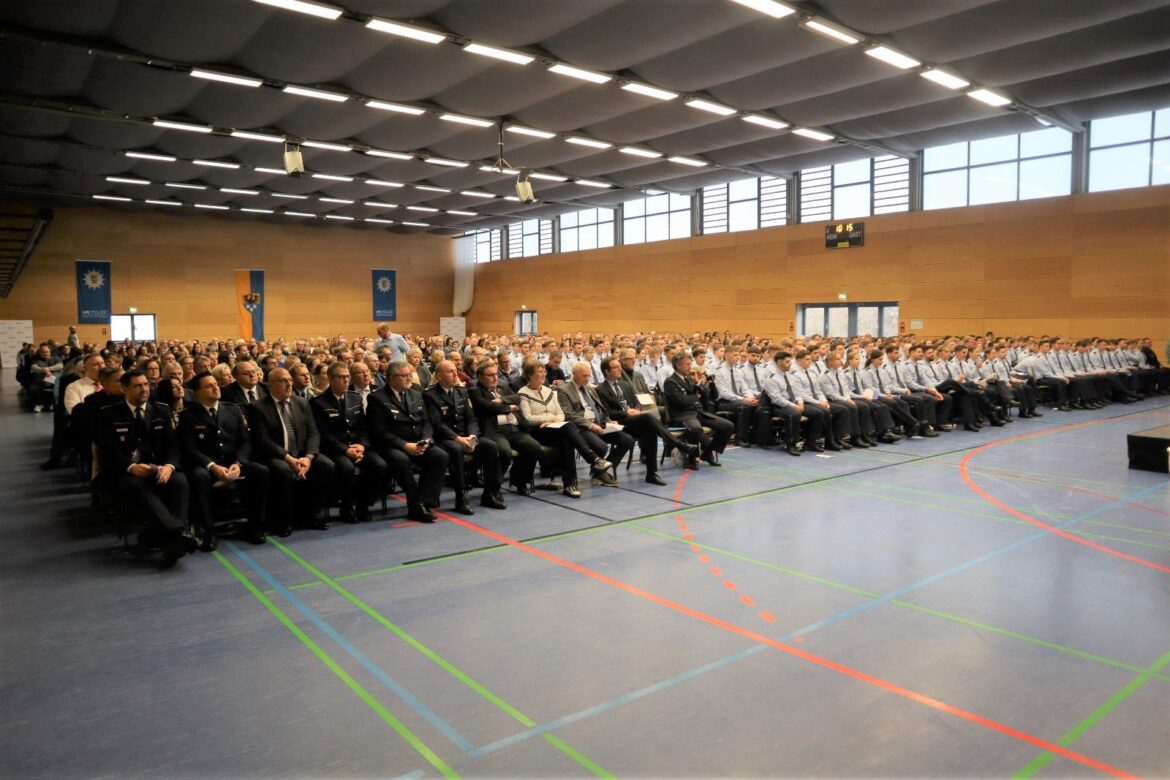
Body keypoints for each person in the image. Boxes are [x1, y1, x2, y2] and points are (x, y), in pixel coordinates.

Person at [93, 369, 195, 569]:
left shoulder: (160, 410)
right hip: (124, 471)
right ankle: (178, 535)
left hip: (158, 466)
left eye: (146, 385)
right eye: (138, 386)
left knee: (180, 481)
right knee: (137, 486)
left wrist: (169, 466)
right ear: (124, 388)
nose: (144, 389)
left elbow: (173, 445)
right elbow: (108, 451)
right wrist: (131, 467)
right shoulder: (109, 413)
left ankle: (173, 539)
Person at [178, 372, 269, 549]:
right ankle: (209, 531)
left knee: (261, 471)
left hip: (233, 464)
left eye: (215, 384)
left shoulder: (232, 409)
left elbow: (245, 441)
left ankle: (255, 525)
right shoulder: (188, 416)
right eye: (209, 386)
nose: (215, 387)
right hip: (207, 466)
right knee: (199, 476)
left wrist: (238, 463)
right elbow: (190, 449)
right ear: (197, 393)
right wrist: (212, 466)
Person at [247, 368, 334, 535]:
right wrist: (288, 458)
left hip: (302, 453)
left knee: (326, 465)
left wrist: (308, 457)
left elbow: (313, 433)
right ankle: (284, 520)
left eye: (290, 380)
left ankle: (312, 513)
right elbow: (263, 441)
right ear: (271, 385)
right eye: (283, 381)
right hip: (276, 455)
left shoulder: (301, 402)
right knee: (283, 470)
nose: (289, 384)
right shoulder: (257, 407)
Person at [365, 360, 448, 522]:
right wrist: (405, 445)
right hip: (392, 445)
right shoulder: (377, 398)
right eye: (404, 375)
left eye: (410, 374)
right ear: (391, 378)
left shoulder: (415, 393)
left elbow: (426, 422)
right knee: (401, 460)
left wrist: (426, 440)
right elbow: (379, 432)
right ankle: (415, 505)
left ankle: (423, 501)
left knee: (440, 456)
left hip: (418, 442)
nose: (409, 378)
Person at [516, 360, 612, 498]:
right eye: (539, 372)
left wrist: (555, 419)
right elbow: (527, 418)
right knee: (568, 429)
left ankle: (570, 484)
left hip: (555, 428)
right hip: (536, 431)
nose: (543, 374)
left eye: (544, 371)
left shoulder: (549, 390)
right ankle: (593, 461)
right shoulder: (523, 393)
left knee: (566, 438)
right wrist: (549, 418)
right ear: (530, 375)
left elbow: (560, 413)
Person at [595, 356, 696, 482]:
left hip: (632, 420)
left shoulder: (624, 385)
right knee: (648, 417)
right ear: (606, 371)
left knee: (650, 430)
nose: (620, 369)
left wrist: (635, 411)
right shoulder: (600, 389)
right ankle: (676, 443)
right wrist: (626, 412)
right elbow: (607, 413)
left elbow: (634, 403)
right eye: (616, 368)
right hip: (617, 423)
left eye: (620, 367)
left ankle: (651, 473)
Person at [424, 360, 506, 514]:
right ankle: (460, 497)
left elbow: (471, 418)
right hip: (446, 438)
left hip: (467, 435)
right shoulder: (430, 395)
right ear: (439, 375)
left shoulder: (462, 392)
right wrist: (458, 439)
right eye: (450, 372)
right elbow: (437, 423)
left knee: (490, 446)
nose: (455, 374)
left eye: (455, 370)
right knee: (456, 450)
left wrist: (472, 436)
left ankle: (490, 492)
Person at [310, 362, 388, 524]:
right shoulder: (318, 402)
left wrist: (362, 446)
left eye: (347, 377)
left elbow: (364, 427)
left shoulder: (355, 397)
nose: (346, 381)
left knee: (379, 465)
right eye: (341, 377)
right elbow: (324, 434)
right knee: (346, 468)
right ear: (330, 379)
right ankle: (346, 507)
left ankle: (364, 504)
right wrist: (345, 450)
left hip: (358, 446)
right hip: (336, 449)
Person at [469, 359, 543, 496]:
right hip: (495, 431)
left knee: (533, 447)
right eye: (490, 375)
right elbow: (486, 406)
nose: (494, 378)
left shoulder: (503, 385)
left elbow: (516, 397)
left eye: (496, 374)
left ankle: (520, 480)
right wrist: (507, 407)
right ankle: (494, 487)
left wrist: (502, 400)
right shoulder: (475, 390)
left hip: (514, 428)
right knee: (505, 453)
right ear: (480, 377)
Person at [557, 362, 631, 487]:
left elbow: (600, 408)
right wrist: (591, 425)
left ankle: (600, 471)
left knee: (627, 440)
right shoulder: (564, 390)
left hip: (599, 424)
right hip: (582, 428)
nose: (587, 379)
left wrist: (608, 421)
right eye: (584, 376)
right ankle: (600, 472)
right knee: (601, 447)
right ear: (574, 375)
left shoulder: (590, 388)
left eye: (589, 376)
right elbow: (569, 414)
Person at [662, 352, 733, 468]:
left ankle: (706, 454)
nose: (690, 367)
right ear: (678, 366)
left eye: (690, 364)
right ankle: (692, 458)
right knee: (695, 429)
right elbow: (681, 401)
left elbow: (706, 396)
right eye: (687, 364)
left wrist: (698, 382)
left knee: (728, 426)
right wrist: (695, 398)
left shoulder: (690, 379)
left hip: (698, 413)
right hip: (682, 415)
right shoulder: (670, 382)